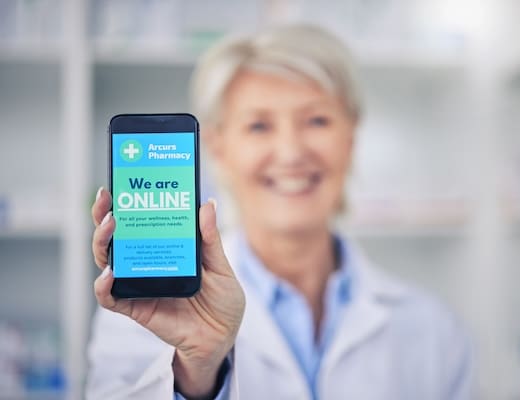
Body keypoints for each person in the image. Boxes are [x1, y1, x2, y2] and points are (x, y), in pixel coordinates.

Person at [87, 24, 472, 400]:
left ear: (351, 138)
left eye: (317, 120)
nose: (290, 153)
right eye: (259, 126)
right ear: (219, 147)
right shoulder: (142, 317)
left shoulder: (432, 328)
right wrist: (198, 372)